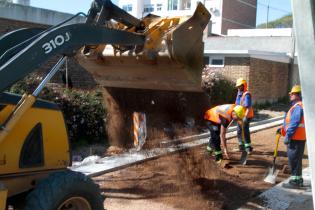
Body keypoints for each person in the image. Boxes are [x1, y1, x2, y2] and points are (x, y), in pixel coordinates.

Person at [278, 85, 306, 188]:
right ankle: (298, 179)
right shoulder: (297, 106)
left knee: (294, 159)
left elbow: (294, 123)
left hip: (295, 138)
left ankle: (295, 182)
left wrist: (288, 136)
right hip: (298, 138)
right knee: (296, 159)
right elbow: (289, 122)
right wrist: (281, 129)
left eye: (292, 94)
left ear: (298, 95)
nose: (290, 95)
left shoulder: (298, 106)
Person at [235, 78, 254, 153]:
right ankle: (241, 146)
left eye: (240, 86)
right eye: (238, 86)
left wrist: (245, 117)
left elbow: (248, 107)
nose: (239, 87)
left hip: (247, 116)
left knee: (245, 130)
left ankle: (248, 147)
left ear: (244, 85)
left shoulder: (247, 94)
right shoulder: (239, 93)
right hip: (240, 115)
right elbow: (237, 105)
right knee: (239, 130)